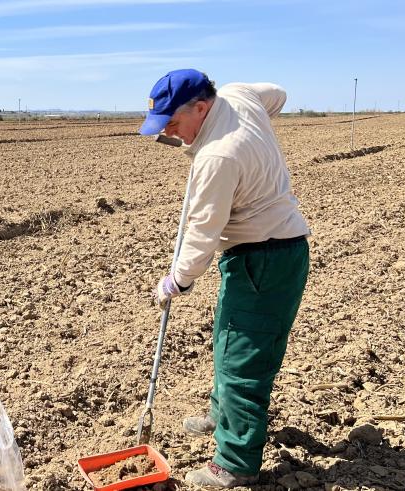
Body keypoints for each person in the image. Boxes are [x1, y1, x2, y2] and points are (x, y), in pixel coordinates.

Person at [141, 69, 311, 488]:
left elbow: (201, 231)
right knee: (227, 336)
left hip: (262, 258)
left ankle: (235, 462)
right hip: (272, 251)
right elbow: (279, 93)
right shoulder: (237, 94)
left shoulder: (217, 157)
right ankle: (222, 414)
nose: (172, 134)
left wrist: (176, 281)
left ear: (201, 107)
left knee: (242, 360)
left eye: (175, 124)